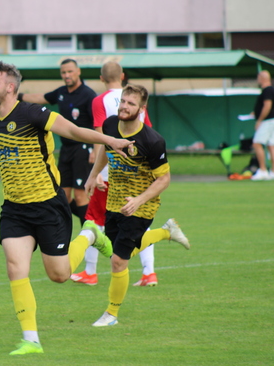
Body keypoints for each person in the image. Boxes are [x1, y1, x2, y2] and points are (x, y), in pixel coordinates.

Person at [0, 61, 134, 355]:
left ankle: (89, 234)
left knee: (59, 274)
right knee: (16, 268)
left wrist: (110, 140)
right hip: (14, 210)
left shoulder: (32, 113)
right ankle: (31, 339)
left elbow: (74, 131)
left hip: (48, 207)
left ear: (10, 87)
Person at [85, 83, 191, 328]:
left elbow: (164, 178)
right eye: (123, 101)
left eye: (131, 103)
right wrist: (93, 175)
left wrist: (139, 200)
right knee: (117, 251)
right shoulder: (110, 124)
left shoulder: (152, 141)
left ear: (142, 109)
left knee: (118, 261)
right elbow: (104, 148)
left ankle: (111, 314)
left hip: (142, 205)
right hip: (115, 200)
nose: (124, 106)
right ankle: (167, 232)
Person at [71, 61, 161, 287]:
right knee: (135, 221)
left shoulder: (99, 101)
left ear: (101, 78)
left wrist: (97, 172)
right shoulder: (137, 99)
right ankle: (149, 272)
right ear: (122, 76)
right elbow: (147, 129)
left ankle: (90, 272)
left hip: (112, 172)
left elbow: (100, 136)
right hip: (137, 173)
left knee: (93, 219)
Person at [19, 59, 96, 227]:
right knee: (63, 197)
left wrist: (95, 150)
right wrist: (15, 96)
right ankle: (93, 224)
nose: (66, 75)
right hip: (66, 150)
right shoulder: (61, 92)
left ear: (78, 72)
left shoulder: (88, 95)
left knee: (80, 195)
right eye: (63, 72)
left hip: (83, 148)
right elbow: (40, 97)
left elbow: (97, 125)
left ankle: (90, 234)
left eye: (69, 71)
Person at [250, 70, 274, 181]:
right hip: (270, 121)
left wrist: (259, 120)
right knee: (271, 146)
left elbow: (267, 106)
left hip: (267, 122)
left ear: (263, 78)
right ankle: (272, 172)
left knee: (257, 143)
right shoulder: (269, 90)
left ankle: (263, 170)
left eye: (258, 77)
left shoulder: (267, 90)